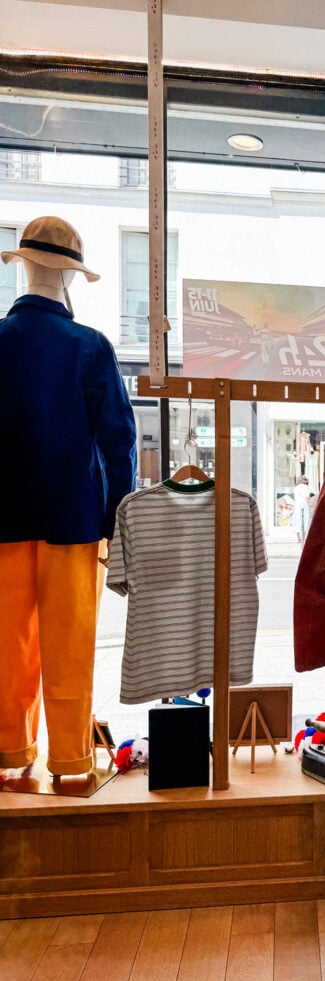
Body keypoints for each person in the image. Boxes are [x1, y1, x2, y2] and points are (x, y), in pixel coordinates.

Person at [0, 216, 137, 779]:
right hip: (74, 519)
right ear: (72, 277)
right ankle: (70, 759)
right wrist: (115, 519)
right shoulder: (91, 348)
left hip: (2, 518)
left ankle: (9, 752)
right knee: (70, 644)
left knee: (7, 645)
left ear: (23, 266)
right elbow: (119, 441)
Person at [292, 474, 311, 544]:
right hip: (304, 504)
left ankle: (298, 538)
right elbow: (307, 496)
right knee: (305, 520)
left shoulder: (296, 488)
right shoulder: (305, 487)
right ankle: (303, 537)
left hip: (297, 504)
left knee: (297, 519)